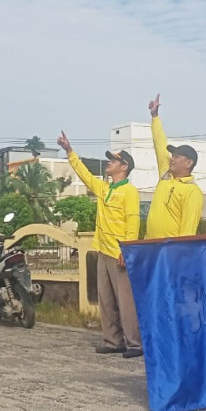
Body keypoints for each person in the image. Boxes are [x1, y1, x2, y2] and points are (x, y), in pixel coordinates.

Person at [56, 131, 142, 359]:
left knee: (125, 300)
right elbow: (84, 175)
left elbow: (133, 220)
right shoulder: (106, 189)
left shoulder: (129, 191)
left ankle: (134, 343)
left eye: (114, 161)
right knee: (106, 299)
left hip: (119, 251)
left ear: (124, 167)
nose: (110, 163)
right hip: (102, 249)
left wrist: (128, 248)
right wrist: (70, 152)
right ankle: (113, 340)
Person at [145, 94, 203, 238]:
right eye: (172, 156)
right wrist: (155, 117)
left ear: (189, 163)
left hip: (170, 251)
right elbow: (160, 143)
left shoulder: (192, 191)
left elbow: (188, 230)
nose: (172, 159)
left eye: (177, 157)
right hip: (150, 247)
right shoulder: (166, 174)